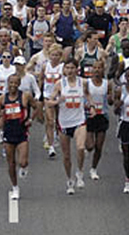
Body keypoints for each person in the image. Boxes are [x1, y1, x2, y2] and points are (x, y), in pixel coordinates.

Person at [47, 58, 91, 195]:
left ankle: (80, 172)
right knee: (66, 156)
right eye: (67, 68)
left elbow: (88, 95)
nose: (70, 71)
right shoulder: (60, 84)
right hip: (64, 123)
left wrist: (92, 105)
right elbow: (49, 102)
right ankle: (69, 179)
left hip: (79, 120)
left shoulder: (83, 82)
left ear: (77, 69)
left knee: (81, 147)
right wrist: (57, 101)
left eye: (72, 68)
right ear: (64, 70)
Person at [0, 74, 39, 200]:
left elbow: (36, 107)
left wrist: (31, 119)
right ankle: (15, 187)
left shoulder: (25, 96)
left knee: (22, 161)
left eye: (15, 83)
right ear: (8, 84)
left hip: (22, 132)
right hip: (8, 133)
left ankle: (24, 167)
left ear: (19, 84)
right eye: (11, 83)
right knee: (11, 163)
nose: (13, 85)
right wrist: (0, 115)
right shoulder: (3, 99)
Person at [85, 60, 113, 180]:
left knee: (99, 146)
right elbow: (83, 98)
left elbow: (111, 101)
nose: (97, 70)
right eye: (94, 68)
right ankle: (87, 148)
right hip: (89, 116)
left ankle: (93, 168)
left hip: (102, 116)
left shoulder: (107, 84)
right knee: (90, 145)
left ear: (103, 70)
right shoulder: (87, 83)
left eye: (99, 68)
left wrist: (111, 98)